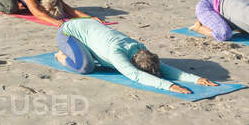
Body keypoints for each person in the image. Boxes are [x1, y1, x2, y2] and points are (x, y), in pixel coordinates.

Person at [55, 18, 218, 94]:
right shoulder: (116, 53)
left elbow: (163, 68)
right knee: (86, 67)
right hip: (68, 32)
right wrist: (169, 86)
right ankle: (61, 56)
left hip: (89, 26)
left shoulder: (141, 49)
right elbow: (137, 76)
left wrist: (195, 79)